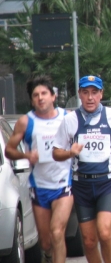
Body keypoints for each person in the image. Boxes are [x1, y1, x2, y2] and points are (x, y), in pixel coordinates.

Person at [52, 75, 111, 263]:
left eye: (94, 93)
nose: (90, 97)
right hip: (82, 185)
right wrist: (70, 153)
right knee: (88, 241)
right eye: (86, 92)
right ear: (79, 94)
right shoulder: (70, 120)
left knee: (105, 232)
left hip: (107, 182)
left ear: (101, 94)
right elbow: (56, 153)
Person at [5, 75, 73, 263]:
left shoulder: (67, 117)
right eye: (36, 95)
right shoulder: (26, 122)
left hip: (63, 185)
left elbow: (81, 140)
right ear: (31, 100)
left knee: (57, 232)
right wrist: (27, 156)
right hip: (39, 187)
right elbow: (9, 150)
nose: (40, 98)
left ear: (53, 96)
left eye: (44, 93)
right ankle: (49, 256)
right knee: (45, 242)